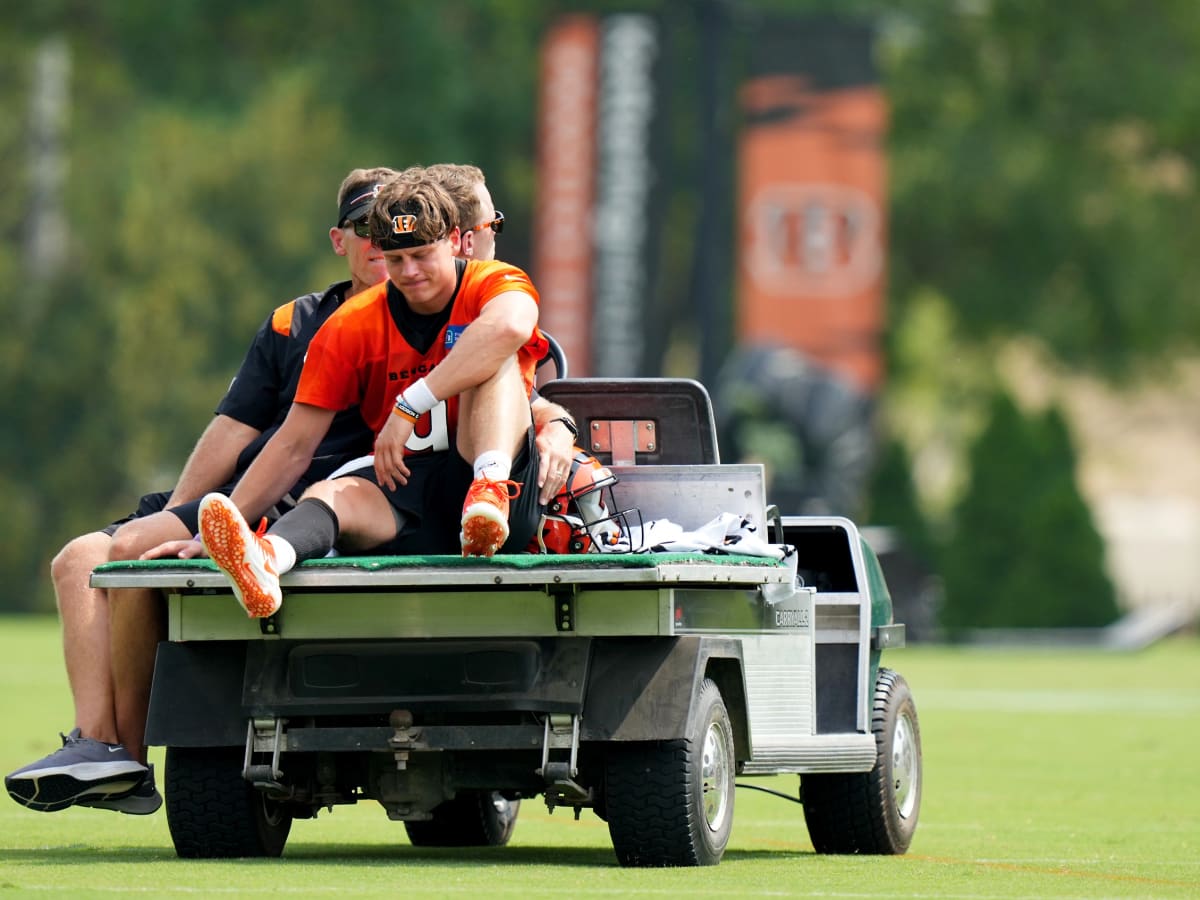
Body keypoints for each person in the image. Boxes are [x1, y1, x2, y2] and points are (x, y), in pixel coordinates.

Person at [4, 166, 398, 815]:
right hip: (245, 493)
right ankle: (102, 746)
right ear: (340, 239)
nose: (378, 243)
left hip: (312, 504)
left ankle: (120, 756)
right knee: (79, 561)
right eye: (364, 228)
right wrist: (187, 516)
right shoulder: (291, 322)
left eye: (392, 229)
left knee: (132, 559)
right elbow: (232, 428)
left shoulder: (413, 318)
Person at [194, 167, 555, 618]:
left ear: (456, 241)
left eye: (423, 255)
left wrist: (410, 405)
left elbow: (510, 326)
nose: (410, 272)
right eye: (398, 258)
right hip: (409, 484)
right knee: (329, 494)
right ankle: (269, 560)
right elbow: (292, 444)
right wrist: (213, 532)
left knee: (490, 353)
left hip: (500, 493)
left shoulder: (492, 283)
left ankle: (488, 487)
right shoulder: (350, 323)